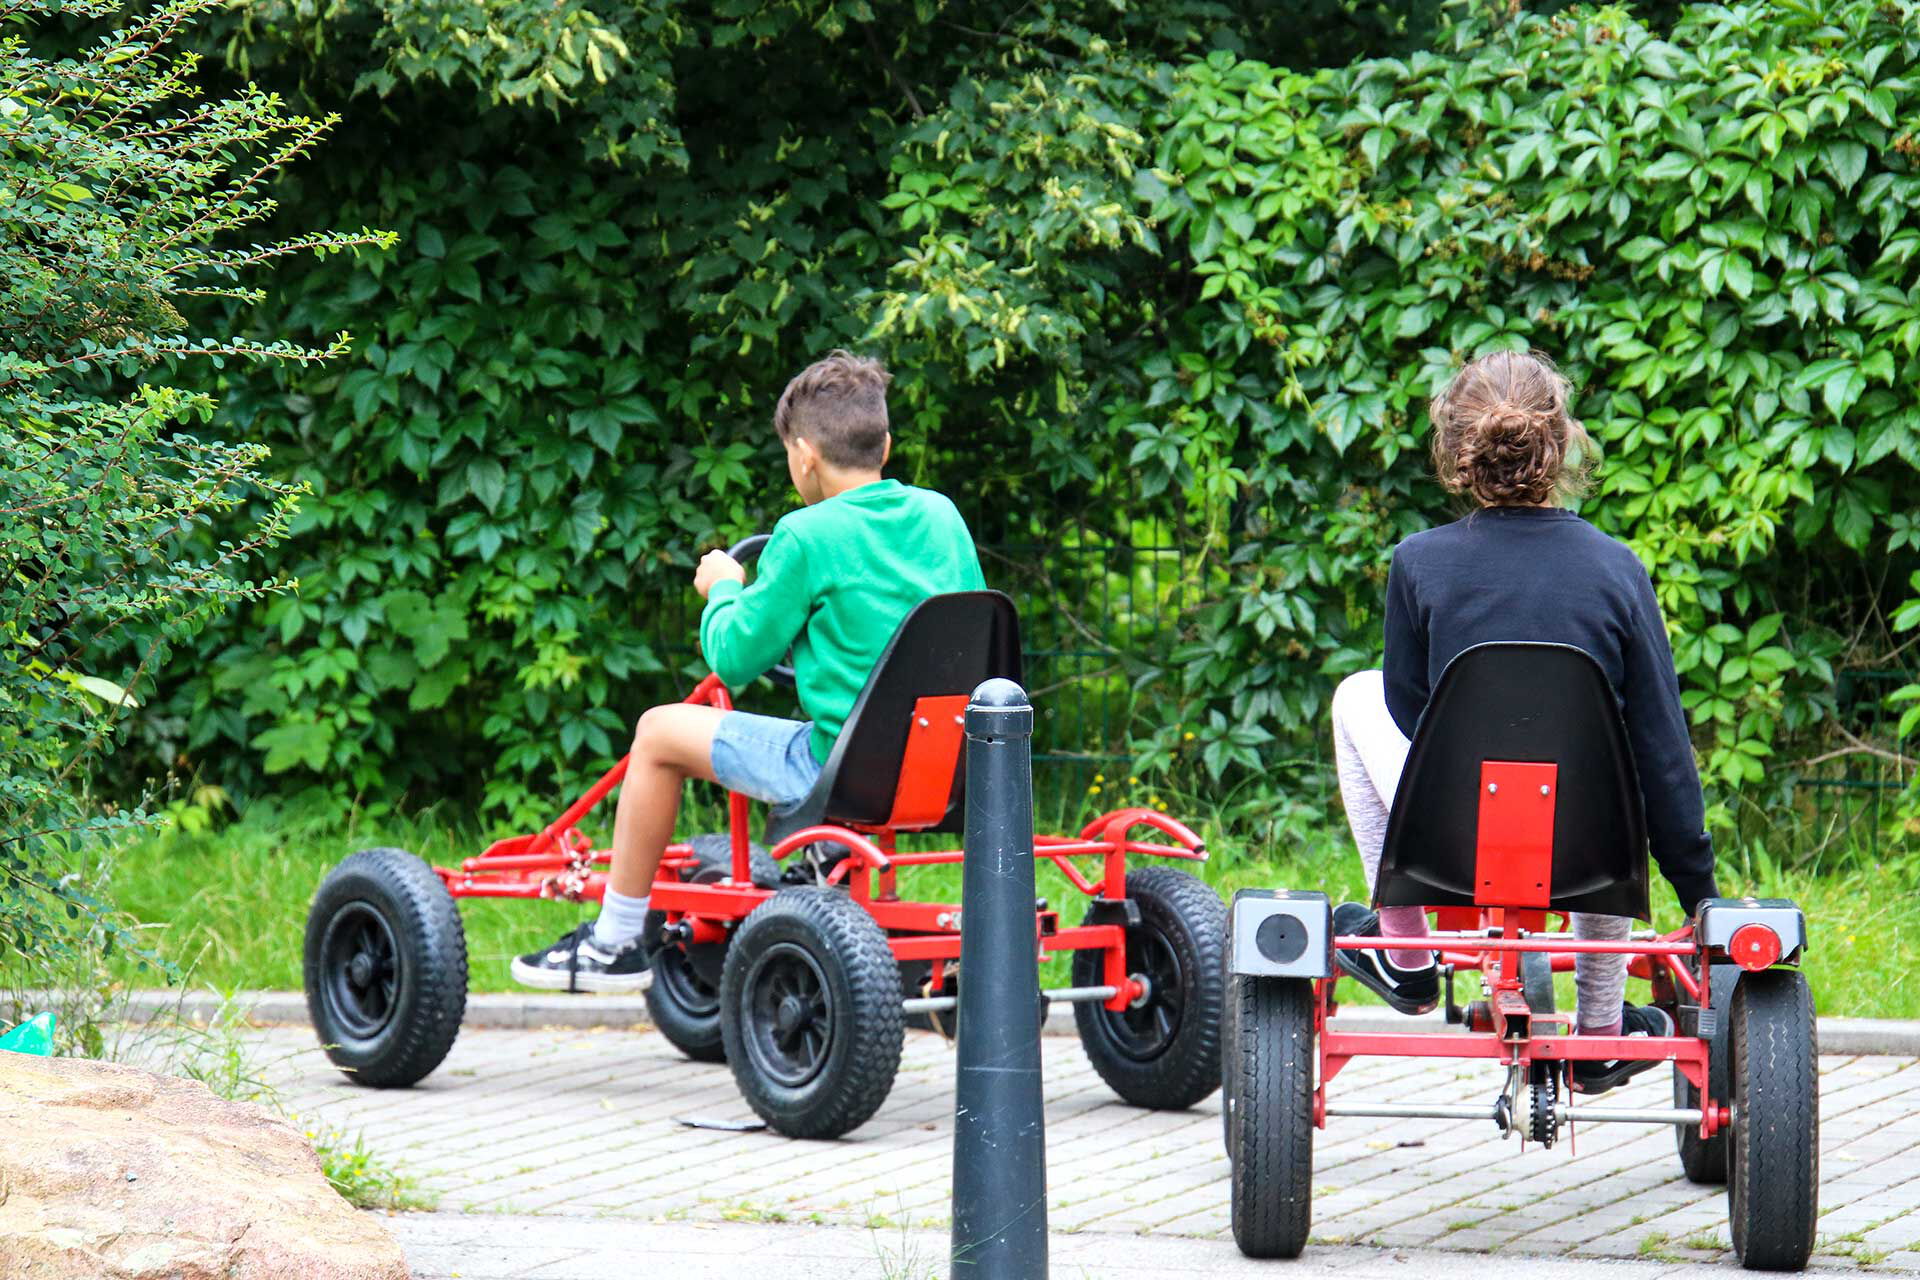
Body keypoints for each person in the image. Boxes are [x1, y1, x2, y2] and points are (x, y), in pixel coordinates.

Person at [512, 351, 986, 992]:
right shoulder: (941, 517)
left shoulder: (805, 535)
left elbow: (734, 658)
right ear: (886, 445)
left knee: (657, 733)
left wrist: (726, 590)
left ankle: (616, 939)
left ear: (804, 454)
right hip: (950, 762)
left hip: (846, 769)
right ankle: (827, 876)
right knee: (839, 721)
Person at [1329, 349, 1719, 1095]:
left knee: (1356, 692)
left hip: (1448, 843)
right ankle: (1602, 1033)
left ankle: (1405, 960)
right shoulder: (1618, 569)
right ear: (1564, 440)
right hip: (1589, 849)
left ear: (1454, 447)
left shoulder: (1418, 564)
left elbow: (1409, 711)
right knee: (1605, 763)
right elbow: (1662, 752)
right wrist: (1700, 895)